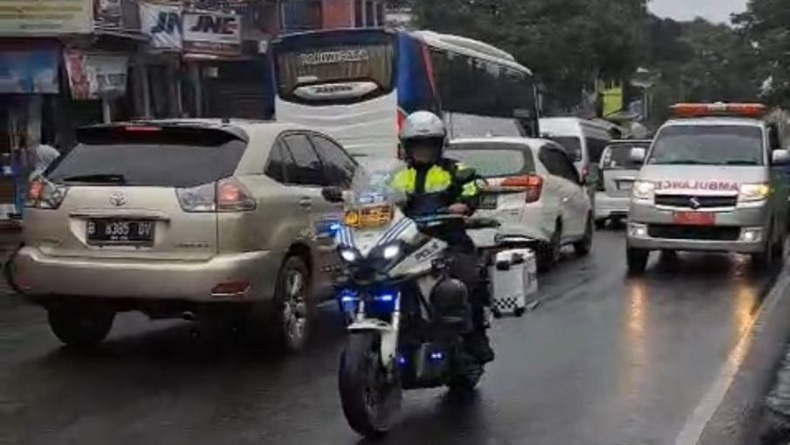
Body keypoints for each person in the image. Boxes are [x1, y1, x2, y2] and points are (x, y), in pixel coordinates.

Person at [388, 111, 495, 364]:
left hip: (448, 241)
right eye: (417, 145)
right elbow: (379, 195)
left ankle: (475, 337)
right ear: (407, 147)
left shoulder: (455, 170)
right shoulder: (398, 175)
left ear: (439, 145)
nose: (423, 150)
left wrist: (464, 203)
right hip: (409, 243)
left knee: (467, 279)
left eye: (429, 144)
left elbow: (474, 185)